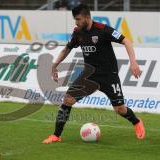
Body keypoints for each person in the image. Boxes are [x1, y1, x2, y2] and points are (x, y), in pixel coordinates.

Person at [42, 4, 145, 144]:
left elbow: (126, 41)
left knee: (120, 109)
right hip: (89, 75)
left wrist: (133, 62)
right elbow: (67, 49)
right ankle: (56, 135)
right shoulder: (78, 32)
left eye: (78, 19)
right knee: (67, 100)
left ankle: (137, 121)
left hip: (109, 75)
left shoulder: (103, 30)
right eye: (75, 20)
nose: (76, 22)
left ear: (87, 17)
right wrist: (55, 65)